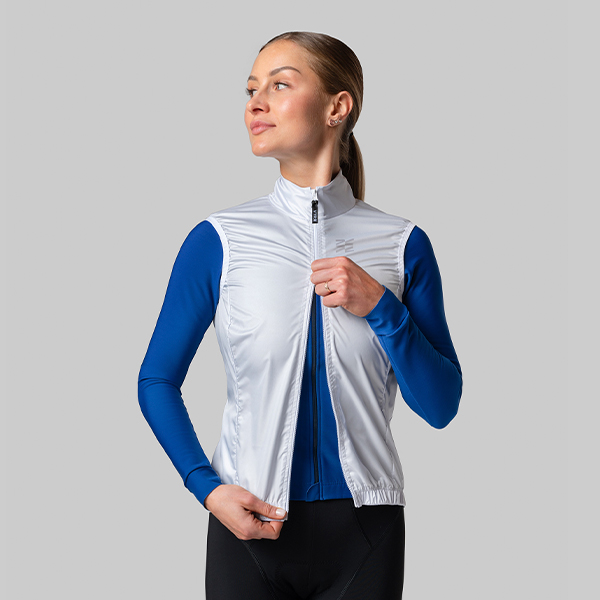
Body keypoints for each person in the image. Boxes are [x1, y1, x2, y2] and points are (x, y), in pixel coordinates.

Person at [138, 31, 462, 600]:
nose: (255, 103)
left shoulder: (401, 245)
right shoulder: (219, 240)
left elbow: (441, 406)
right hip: (246, 525)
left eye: (280, 85)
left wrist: (381, 307)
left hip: (368, 530)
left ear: (338, 107)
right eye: (251, 90)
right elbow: (156, 380)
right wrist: (207, 489)